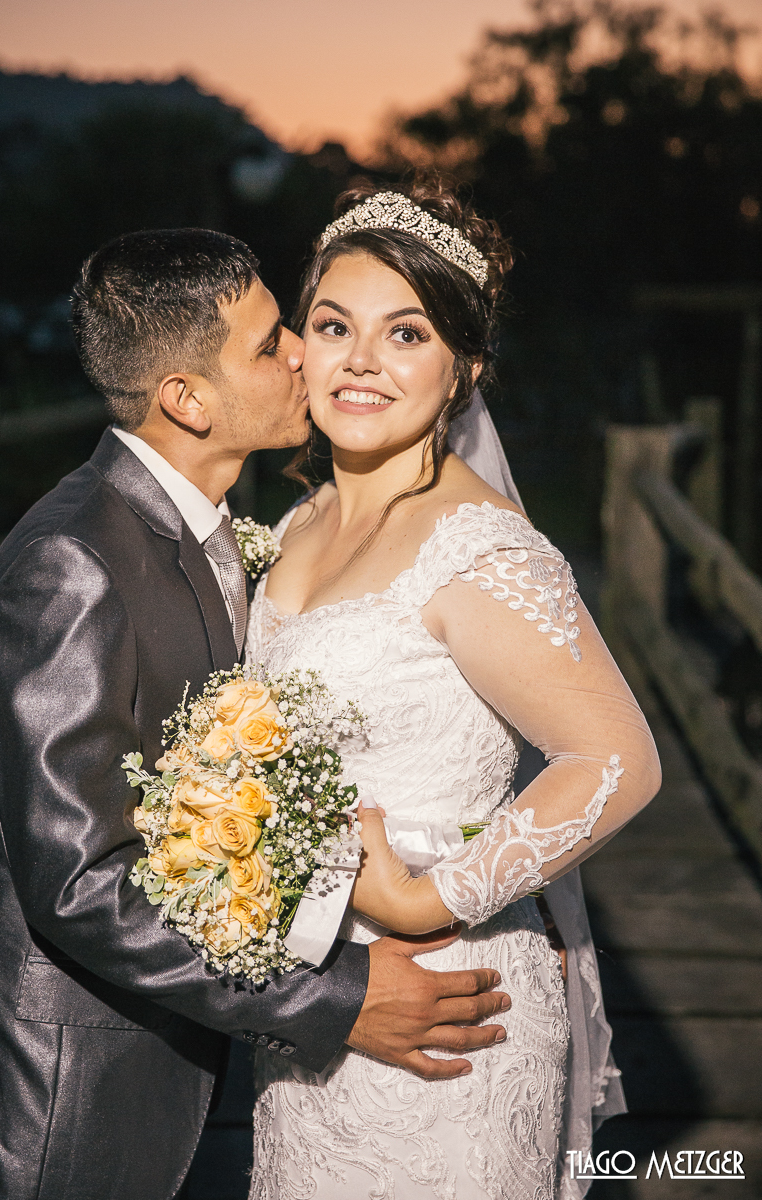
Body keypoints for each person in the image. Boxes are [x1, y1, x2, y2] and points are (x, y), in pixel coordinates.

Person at [0, 228, 511, 1200]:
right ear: (185, 401)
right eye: (271, 340)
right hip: (54, 1112)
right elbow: (80, 886)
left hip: (165, 1078)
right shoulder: (69, 570)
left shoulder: (209, 534)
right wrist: (334, 1003)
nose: (301, 357)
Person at [244, 181, 662, 1200]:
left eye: (407, 333)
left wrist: (429, 903)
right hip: (315, 1000)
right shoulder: (294, 526)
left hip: (446, 1008)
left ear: (463, 366)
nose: (360, 361)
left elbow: (618, 763)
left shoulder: (478, 552)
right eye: (335, 325)